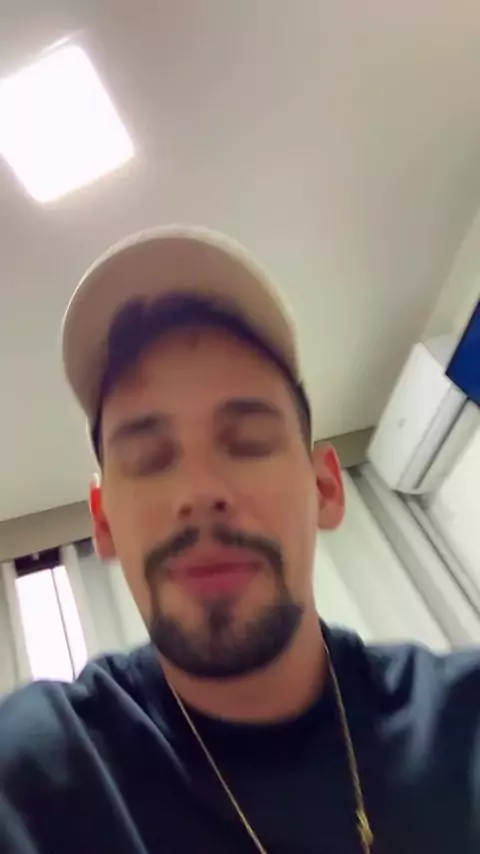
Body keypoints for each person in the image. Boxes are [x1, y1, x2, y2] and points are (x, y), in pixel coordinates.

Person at [0, 226, 479, 854]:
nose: (198, 491)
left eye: (248, 442)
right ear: (105, 523)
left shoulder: (463, 723)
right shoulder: (35, 776)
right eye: (148, 458)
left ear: (325, 488)